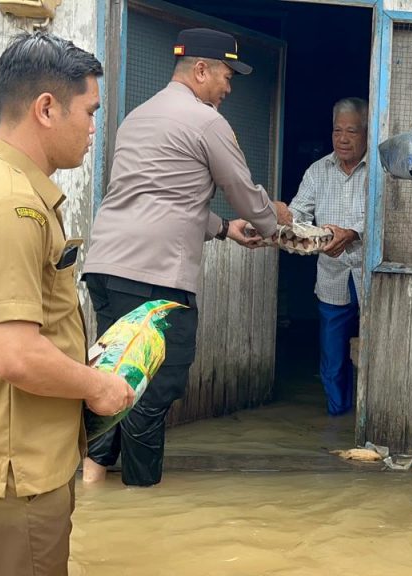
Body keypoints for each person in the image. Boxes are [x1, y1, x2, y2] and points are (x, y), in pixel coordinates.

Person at [0, 32, 135, 576]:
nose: (94, 128)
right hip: (12, 471)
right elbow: (14, 354)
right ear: (46, 108)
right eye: (89, 112)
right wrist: (99, 387)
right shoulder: (9, 204)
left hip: (12, 460)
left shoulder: (2, 185)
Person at [81, 27, 292, 486]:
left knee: (114, 376)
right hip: (153, 276)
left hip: (106, 267)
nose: (229, 88)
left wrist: (223, 229)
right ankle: (141, 496)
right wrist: (280, 222)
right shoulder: (206, 121)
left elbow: (159, 196)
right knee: (155, 386)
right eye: (226, 76)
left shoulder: (137, 117)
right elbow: (243, 192)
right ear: (200, 70)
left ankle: (92, 484)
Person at [287, 97, 368, 416]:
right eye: (337, 131)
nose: (343, 139)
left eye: (352, 131)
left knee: (377, 352)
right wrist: (286, 224)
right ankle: (338, 418)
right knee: (332, 360)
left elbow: (390, 216)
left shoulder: (378, 170)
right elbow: (296, 215)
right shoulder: (317, 171)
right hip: (332, 276)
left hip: (370, 276)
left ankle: (371, 419)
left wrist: (353, 232)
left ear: (367, 132)